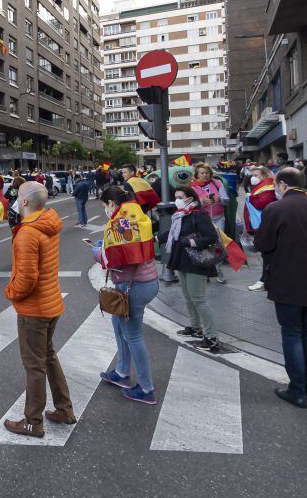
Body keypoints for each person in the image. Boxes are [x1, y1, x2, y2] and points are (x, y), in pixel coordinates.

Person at [254, 168, 307, 408]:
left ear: (282, 185)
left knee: (292, 334)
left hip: (288, 283)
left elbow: (263, 243)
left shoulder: (276, 209)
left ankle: (297, 390)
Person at [2, 181, 75, 437]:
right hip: (51, 301)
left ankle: (33, 421)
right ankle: (64, 409)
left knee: (34, 365)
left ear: (22, 202)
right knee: (48, 356)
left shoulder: (27, 233)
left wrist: (10, 292)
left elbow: (26, 278)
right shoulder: (49, 222)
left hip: (34, 308)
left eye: (17, 198)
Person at [93, 185, 160, 404]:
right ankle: (122, 372)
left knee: (133, 336)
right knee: (118, 323)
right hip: (145, 282)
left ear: (111, 204)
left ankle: (146, 387)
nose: (105, 210)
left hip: (134, 287)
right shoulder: (136, 217)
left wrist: (98, 253)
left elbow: (122, 261)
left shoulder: (121, 223)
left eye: (105, 205)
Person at [161, 187, 225, 353]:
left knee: (198, 299)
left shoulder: (198, 215)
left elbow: (211, 237)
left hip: (197, 262)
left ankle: (211, 337)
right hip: (182, 261)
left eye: (180, 197)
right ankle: (195, 328)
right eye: (176, 197)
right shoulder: (181, 215)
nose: (177, 200)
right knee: (188, 297)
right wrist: (153, 238)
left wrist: (190, 243)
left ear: (190, 198)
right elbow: (172, 234)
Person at [190, 163, 229, 283]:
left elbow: (226, 201)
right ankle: (205, 271)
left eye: (207, 173)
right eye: (202, 173)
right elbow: (191, 205)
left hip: (218, 218)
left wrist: (220, 200)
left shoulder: (217, 183)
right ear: (197, 175)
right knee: (204, 245)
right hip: (203, 221)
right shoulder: (192, 187)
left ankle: (218, 270)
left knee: (219, 244)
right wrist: (202, 202)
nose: (205, 175)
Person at [244, 166, 278, 292]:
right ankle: (266, 280)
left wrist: (250, 197)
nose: (253, 177)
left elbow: (262, 203)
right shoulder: (263, 185)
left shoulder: (267, 186)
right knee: (266, 255)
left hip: (265, 226)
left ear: (264, 175)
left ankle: (265, 281)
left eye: (256, 175)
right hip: (263, 225)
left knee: (267, 255)